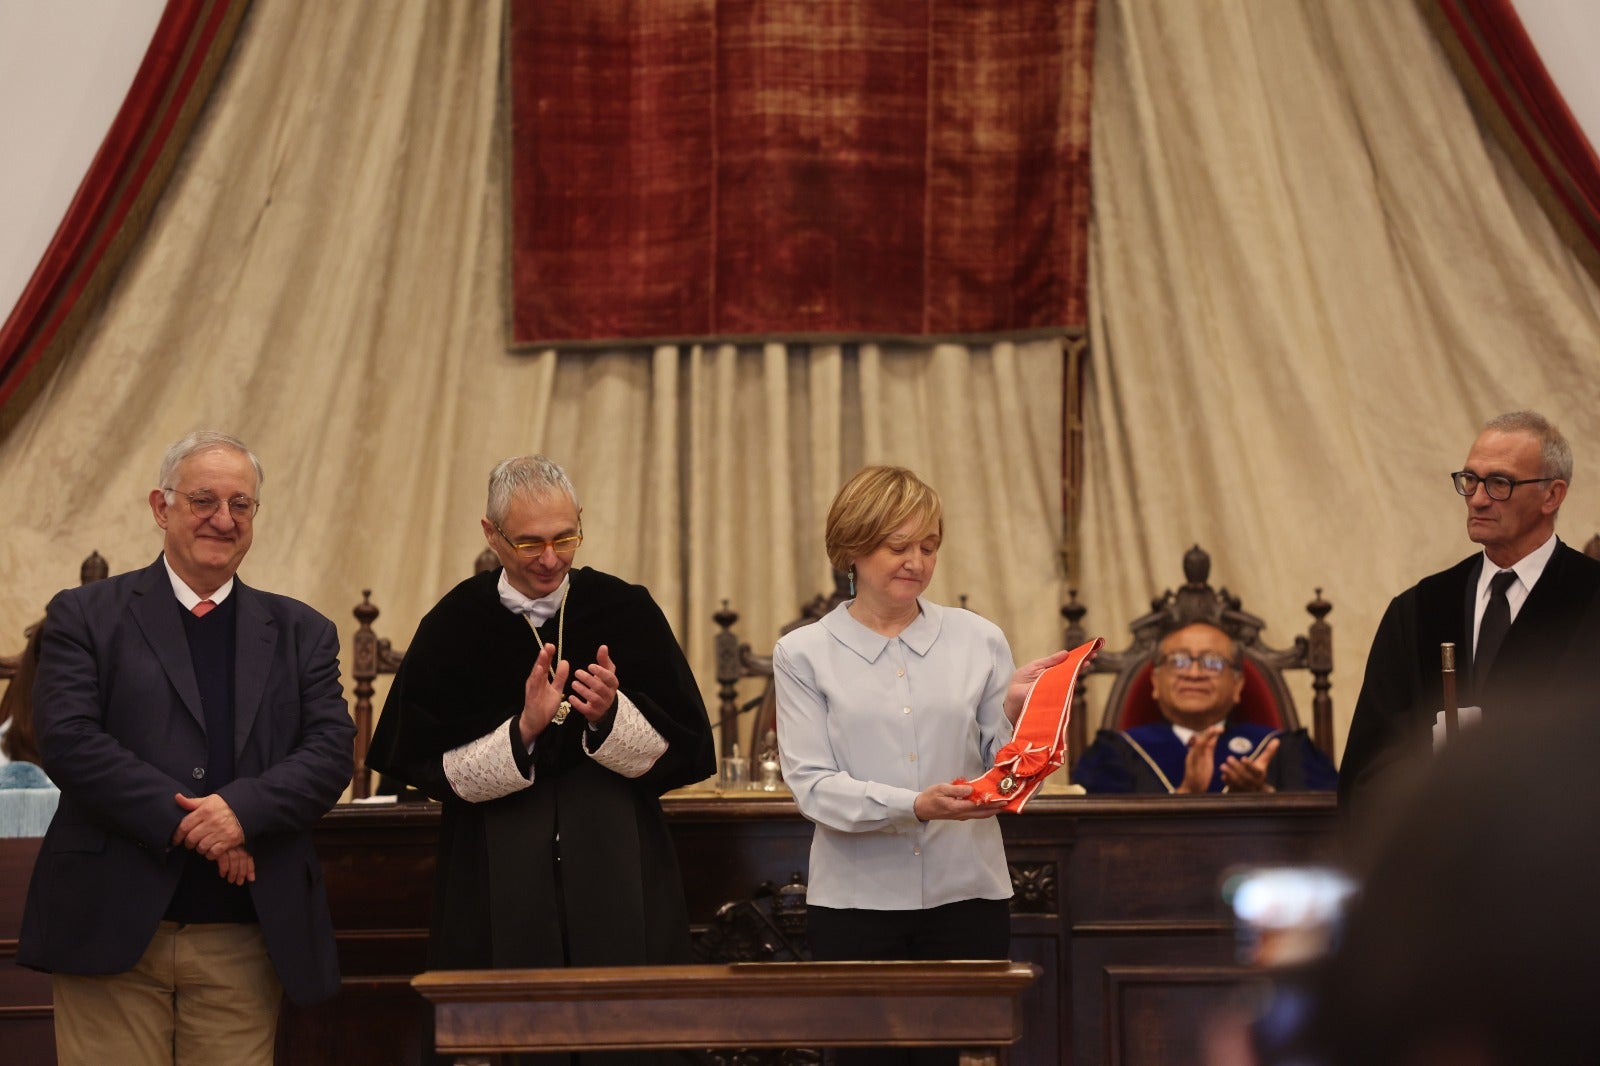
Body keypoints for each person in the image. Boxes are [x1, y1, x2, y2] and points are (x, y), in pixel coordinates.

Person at [17, 431, 355, 1065]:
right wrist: (199, 826)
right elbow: (68, 740)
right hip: (111, 927)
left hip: (246, 936)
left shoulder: (304, 631)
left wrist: (240, 813)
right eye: (203, 500)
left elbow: (331, 752)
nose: (222, 519)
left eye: (241, 504)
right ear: (160, 506)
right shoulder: (85, 616)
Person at [365, 457, 715, 998]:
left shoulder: (625, 609)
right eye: (530, 543)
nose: (550, 559)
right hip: (494, 864)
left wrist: (609, 717)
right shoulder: (455, 624)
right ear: (491, 533)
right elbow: (424, 764)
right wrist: (522, 731)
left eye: (565, 538)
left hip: (616, 855)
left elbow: (687, 751)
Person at [772, 465, 1071, 1066]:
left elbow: (1003, 772)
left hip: (967, 894)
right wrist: (912, 805)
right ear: (852, 548)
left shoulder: (979, 640)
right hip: (856, 905)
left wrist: (1016, 714)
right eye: (898, 546)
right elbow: (812, 785)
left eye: (928, 547)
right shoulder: (803, 653)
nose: (916, 561)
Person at [1338, 410, 1600, 816]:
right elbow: (1369, 769)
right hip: (1438, 860)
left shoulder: (1590, 598)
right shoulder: (1419, 609)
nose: (1477, 498)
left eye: (1500, 483)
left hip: (1561, 862)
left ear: (1552, 495)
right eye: (1470, 480)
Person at [1072, 621, 1337, 794]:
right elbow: (1097, 840)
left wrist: (1264, 795)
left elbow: (1325, 826)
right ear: (1155, 682)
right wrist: (1186, 793)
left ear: (1237, 685)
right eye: (1178, 661)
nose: (1195, 673)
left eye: (1212, 662)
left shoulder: (1284, 749)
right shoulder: (1114, 754)